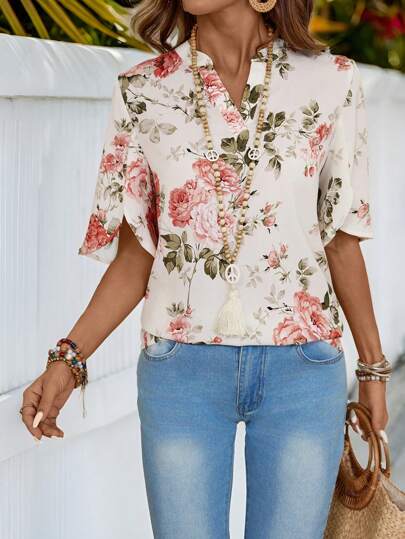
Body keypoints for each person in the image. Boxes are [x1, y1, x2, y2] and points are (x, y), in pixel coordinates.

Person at [20, 0, 391, 537]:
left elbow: (340, 240)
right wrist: (68, 358)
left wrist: (373, 370)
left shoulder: (332, 82)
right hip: (181, 372)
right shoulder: (142, 91)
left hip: (303, 370)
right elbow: (136, 256)